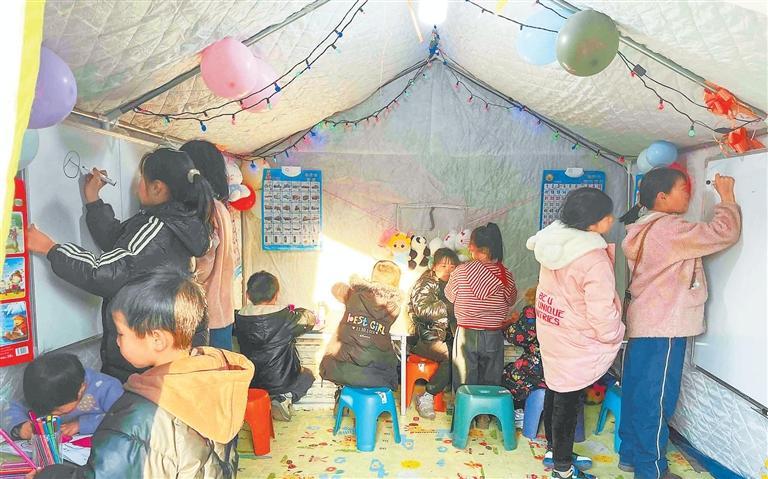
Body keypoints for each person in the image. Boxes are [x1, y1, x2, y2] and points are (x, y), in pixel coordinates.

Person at [37, 268, 254, 479]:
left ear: (157, 339)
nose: (117, 341)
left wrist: (49, 475)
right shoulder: (213, 377)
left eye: (121, 333)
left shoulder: (139, 414)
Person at [26, 148, 214, 382]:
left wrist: (51, 249)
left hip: (144, 358)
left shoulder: (157, 227)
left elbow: (103, 272)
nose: (137, 187)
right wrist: (94, 201)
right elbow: (119, 243)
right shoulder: (180, 224)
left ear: (157, 188)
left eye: (142, 180)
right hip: (161, 353)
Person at [618, 168, 741, 479]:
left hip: (644, 322)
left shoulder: (643, 227)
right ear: (662, 197)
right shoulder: (669, 229)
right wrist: (727, 198)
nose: (689, 194)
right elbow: (724, 233)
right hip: (665, 326)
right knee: (656, 400)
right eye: (683, 189)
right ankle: (651, 470)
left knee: (636, 392)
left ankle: (630, 456)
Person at [527, 187, 625, 479]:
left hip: (552, 330)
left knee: (556, 390)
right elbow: (600, 310)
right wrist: (614, 333)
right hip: (575, 337)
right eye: (607, 215)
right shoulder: (592, 258)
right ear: (591, 222)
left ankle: (555, 451)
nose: (611, 219)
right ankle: (562, 469)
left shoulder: (553, 242)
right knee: (567, 402)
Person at [445, 222, 517, 429]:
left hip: (466, 332)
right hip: (493, 334)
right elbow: (511, 300)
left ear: (477, 248)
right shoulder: (505, 275)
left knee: (464, 378)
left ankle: (463, 417)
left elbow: (449, 295)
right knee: (491, 379)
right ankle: (484, 416)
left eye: (471, 244)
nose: (468, 247)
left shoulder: (461, 271)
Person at [319, 260, 403, 408]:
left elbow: (335, 288)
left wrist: (349, 288)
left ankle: (341, 392)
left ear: (372, 277)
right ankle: (372, 403)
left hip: (341, 371)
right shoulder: (394, 306)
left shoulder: (355, 294)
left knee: (342, 349)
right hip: (377, 375)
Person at [235, 271, 317, 421]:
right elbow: (309, 319)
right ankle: (284, 398)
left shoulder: (238, 318)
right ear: (276, 295)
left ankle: (265, 399)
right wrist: (299, 311)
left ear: (247, 295)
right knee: (308, 375)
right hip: (282, 383)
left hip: (252, 381)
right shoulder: (286, 318)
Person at [181, 140, 236, 350]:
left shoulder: (205, 209)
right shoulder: (221, 207)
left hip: (204, 318)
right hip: (223, 312)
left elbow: (202, 265)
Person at [3, 353, 123, 440]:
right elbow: (10, 409)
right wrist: (20, 428)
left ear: (81, 390)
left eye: (59, 411)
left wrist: (80, 425)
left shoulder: (108, 388)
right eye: (46, 411)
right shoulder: (41, 392)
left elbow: (121, 418)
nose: (52, 415)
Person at [408, 248, 459, 419]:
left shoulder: (454, 284)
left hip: (444, 336)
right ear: (434, 266)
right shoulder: (426, 283)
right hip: (424, 337)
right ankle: (427, 395)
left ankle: (458, 398)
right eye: (443, 266)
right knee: (452, 356)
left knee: (466, 353)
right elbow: (422, 310)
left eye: (452, 267)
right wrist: (449, 307)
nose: (448, 270)